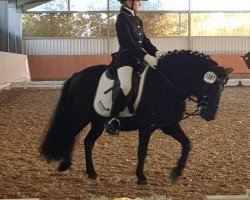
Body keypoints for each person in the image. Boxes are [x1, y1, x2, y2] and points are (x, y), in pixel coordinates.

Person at [105, 0, 164, 135]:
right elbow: (128, 43)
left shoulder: (137, 19)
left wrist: (156, 52)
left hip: (138, 61)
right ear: (129, 2)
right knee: (126, 86)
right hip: (125, 60)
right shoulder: (121, 18)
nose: (140, 4)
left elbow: (144, 41)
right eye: (138, 1)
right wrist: (146, 56)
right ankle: (112, 119)